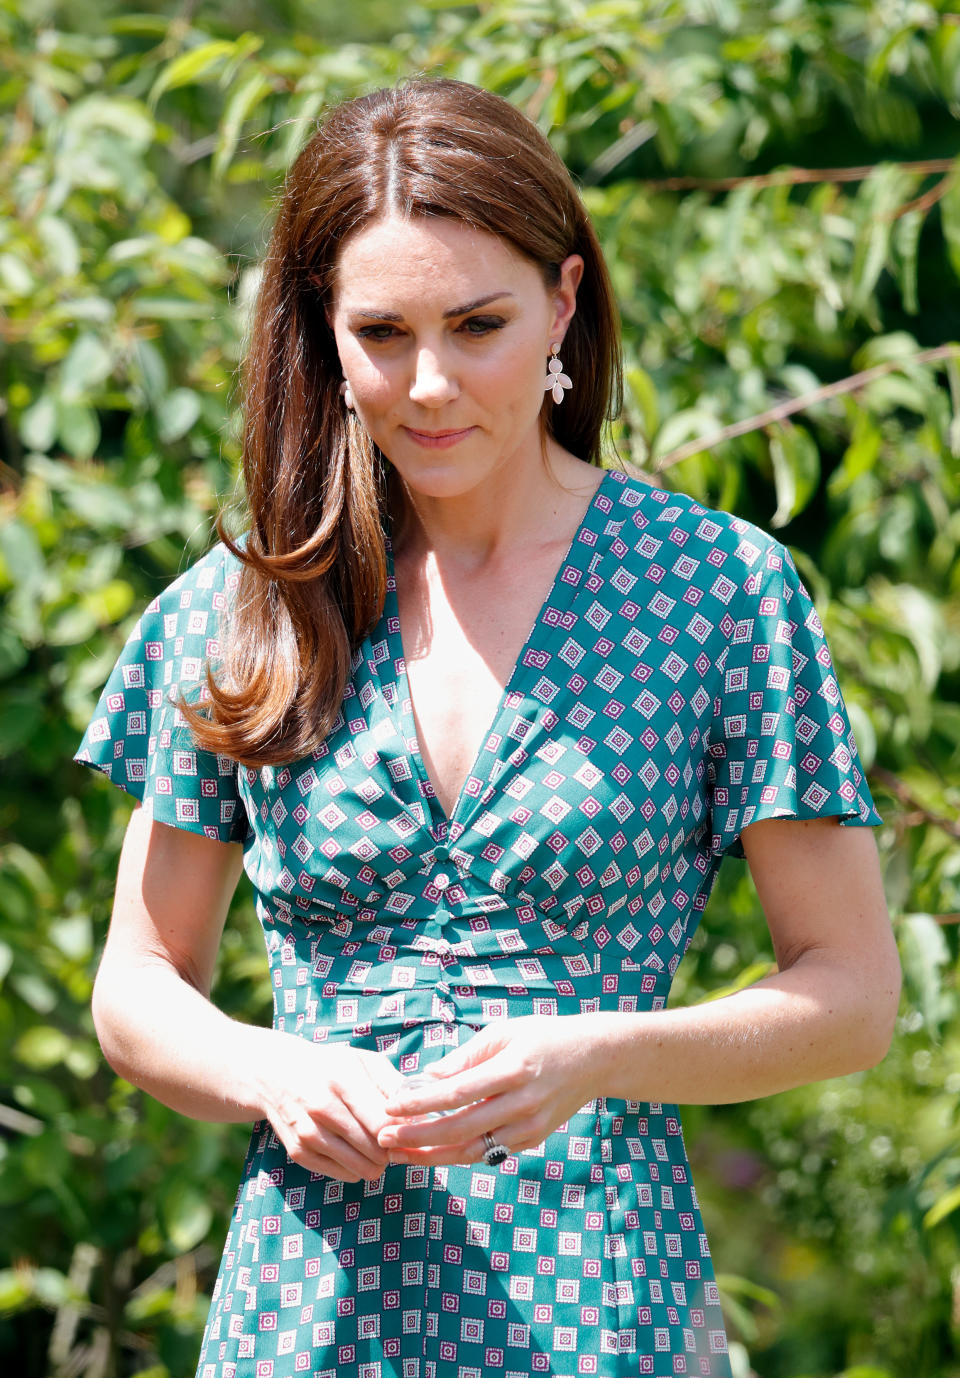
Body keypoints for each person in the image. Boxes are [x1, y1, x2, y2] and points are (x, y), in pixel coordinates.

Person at [74, 77, 901, 1378]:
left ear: (564, 301)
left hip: (607, 1304)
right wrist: (272, 1071)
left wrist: (604, 1050)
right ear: (324, 336)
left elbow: (850, 995)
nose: (432, 382)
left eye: (479, 323)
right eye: (383, 332)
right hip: (308, 1313)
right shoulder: (248, 606)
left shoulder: (717, 592)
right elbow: (137, 987)